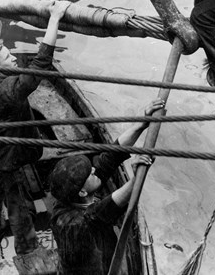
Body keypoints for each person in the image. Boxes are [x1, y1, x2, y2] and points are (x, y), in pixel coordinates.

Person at [0, 0, 71, 255]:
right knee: (18, 206)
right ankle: (28, 250)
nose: (14, 58)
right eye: (7, 56)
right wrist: (55, 19)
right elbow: (41, 65)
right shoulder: (8, 89)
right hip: (4, 162)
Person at [48, 98, 164, 275]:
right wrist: (136, 179)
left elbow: (110, 158)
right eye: (90, 173)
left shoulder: (73, 195)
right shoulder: (72, 224)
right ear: (82, 191)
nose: (95, 169)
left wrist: (142, 123)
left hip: (103, 255)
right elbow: (104, 210)